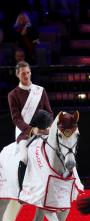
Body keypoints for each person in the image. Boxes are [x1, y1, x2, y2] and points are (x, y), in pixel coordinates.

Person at [8, 61, 53, 191]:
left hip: (44, 130)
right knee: (24, 157)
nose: (26, 76)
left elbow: (49, 112)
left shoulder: (40, 91)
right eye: (23, 74)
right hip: (25, 132)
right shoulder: (13, 95)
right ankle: (21, 190)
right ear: (18, 75)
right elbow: (16, 118)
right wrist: (31, 130)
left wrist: (48, 127)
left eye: (28, 73)